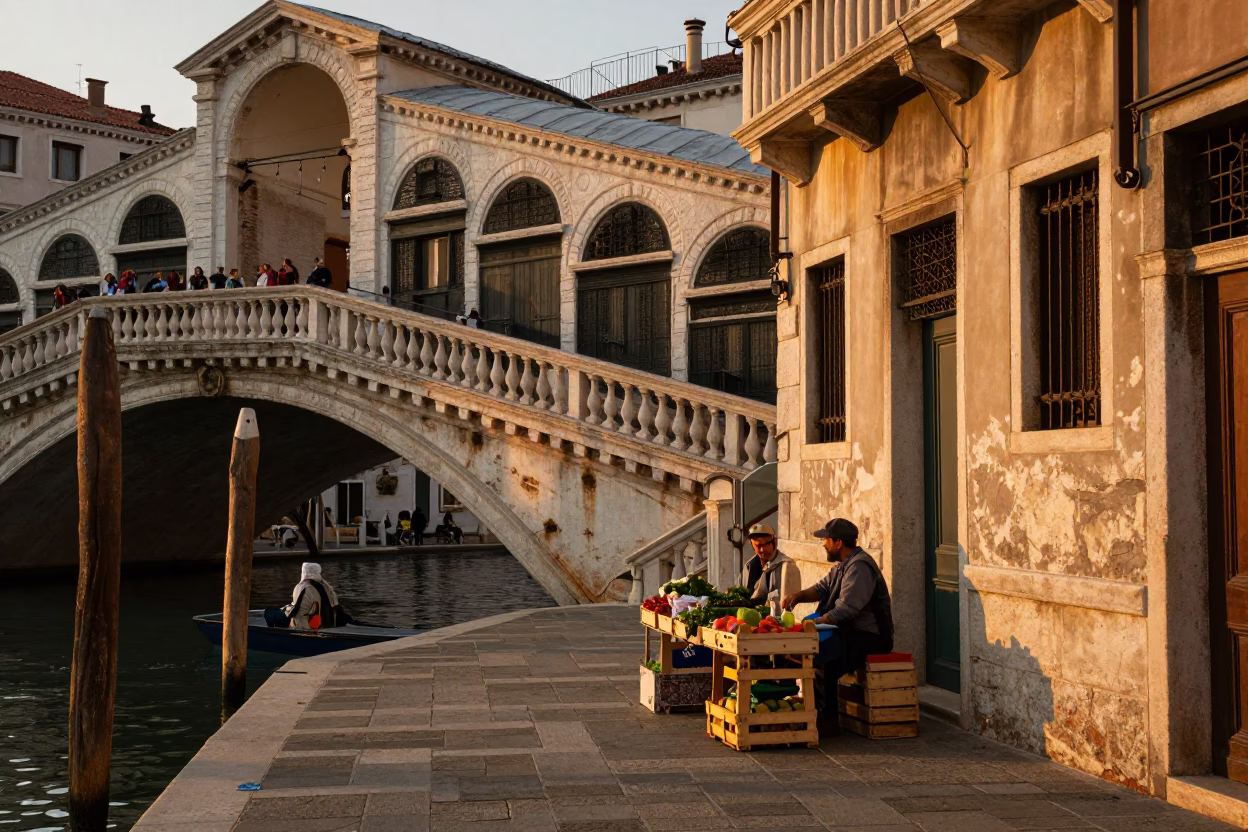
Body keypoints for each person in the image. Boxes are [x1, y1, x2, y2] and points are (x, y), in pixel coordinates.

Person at [782, 518, 894, 733]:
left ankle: (827, 718)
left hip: (871, 636)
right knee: (812, 649)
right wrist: (798, 596)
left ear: (838, 543)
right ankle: (812, 710)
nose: (823, 544)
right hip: (850, 631)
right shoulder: (843, 566)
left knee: (824, 657)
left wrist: (814, 622)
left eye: (826, 540)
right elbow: (821, 589)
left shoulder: (859, 566)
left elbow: (846, 610)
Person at [741, 523, 800, 617]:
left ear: (775, 542)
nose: (762, 549)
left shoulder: (787, 566)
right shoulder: (749, 566)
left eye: (766, 544)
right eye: (758, 546)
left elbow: (790, 609)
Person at [279, 562, 341, 629]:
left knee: (277, 614)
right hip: (326, 624)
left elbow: (299, 612)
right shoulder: (326, 587)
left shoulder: (300, 587)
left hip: (306, 626)